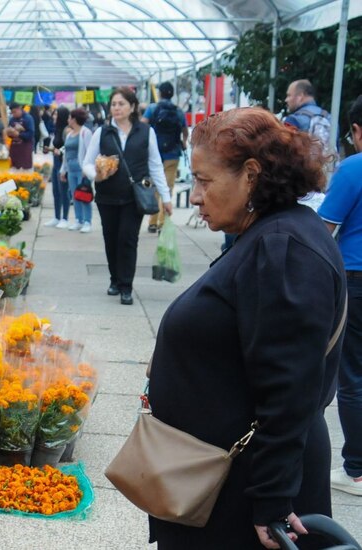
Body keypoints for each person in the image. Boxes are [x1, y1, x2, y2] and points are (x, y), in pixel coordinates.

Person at [147, 107, 344, 549]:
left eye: (204, 180)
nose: (195, 196)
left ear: (251, 175)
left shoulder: (283, 250)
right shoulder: (271, 235)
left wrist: (272, 501)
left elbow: (290, 387)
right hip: (220, 479)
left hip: (245, 495)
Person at [82, 88, 171, 305]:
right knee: (111, 239)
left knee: (128, 240)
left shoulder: (145, 131)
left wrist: (166, 197)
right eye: (113, 104)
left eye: (121, 104)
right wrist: (98, 176)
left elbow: (155, 164)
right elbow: (86, 162)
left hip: (134, 197)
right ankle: (114, 279)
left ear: (132, 107)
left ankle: (126, 286)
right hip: (107, 197)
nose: (116, 108)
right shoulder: (102, 132)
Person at [317, 94, 362, 497]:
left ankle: (357, 470)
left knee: (353, 376)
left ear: (357, 130)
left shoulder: (354, 168)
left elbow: (323, 227)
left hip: (357, 278)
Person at [143, 82, 188, 233]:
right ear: (172, 94)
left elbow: (143, 125)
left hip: (154, 154)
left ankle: (152, 221)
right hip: (172, 154)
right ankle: (163, 222)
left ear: (160, 93)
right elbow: (184, 130)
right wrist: (184, 142)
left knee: (154, 186)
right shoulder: (178, 111)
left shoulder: (152, 108)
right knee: (167, 188)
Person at [60, 108, 94, 233]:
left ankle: (87, 221)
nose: (68, 120)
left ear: (74, 119)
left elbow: (90, 151)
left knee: (84, 195)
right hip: (71, 169)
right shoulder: (69, 134)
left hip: (81, 169)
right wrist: (63, 170)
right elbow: (66, 153)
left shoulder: (86, 133)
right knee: (75, 195)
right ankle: (78, 220)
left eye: (70, 118)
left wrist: (87, 168)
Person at [283, 79, 333, 153]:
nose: (286, 100)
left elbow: (285, 152)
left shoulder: (293, 120)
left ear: (300, 96)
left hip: (304, 164)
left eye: (289, 95)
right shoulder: (330, 118)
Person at [45, 107, 71, 228]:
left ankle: (65, 218)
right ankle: (56, 217)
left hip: (63, 163)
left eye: (56, 115)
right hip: (56, 162)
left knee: (63, 191)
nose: (54, 117)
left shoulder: (67, 130)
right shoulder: (57, 129)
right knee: (55, 190)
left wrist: (59, 151)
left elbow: (68, 147)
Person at [6, 102, 35, 169]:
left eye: (15, 112)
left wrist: (19, 134)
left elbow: (30, 134)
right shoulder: (12, 119)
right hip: (14, 148)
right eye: (12, 113)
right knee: (14, 168)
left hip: (25, 148)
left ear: (19, 109)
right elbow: (9, 133)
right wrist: (10, 133)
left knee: (25, 169)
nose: (13, 114)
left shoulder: (28, 118)